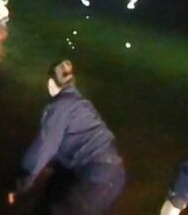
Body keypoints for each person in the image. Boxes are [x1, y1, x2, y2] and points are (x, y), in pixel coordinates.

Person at [14, 60, 125, 215]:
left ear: (51, 83)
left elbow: (43, 149)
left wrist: (20, 184)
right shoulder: (82, 104)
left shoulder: (58, 106)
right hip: (115, 176)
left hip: (95, 180)